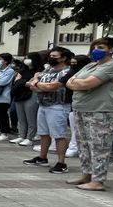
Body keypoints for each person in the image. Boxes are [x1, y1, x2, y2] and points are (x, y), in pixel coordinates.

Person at [65, 37, 113, 191]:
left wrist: (78, 83)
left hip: (103, 110)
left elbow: (88, 83)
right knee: (83, 144)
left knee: (99, 146)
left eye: (101, 47)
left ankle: (98, 181)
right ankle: (87, 175)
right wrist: (79, 84)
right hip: (82, 108)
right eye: (94, 47)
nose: (96, 50)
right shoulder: (91, 65)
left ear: (111, 50)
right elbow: (68, 81)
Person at [23, 46, 74, 174]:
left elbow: (51, 86)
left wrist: (37, 84)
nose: (51, 58)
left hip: (58, 105)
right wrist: (38, 83)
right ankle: (42, 157)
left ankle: (61, 163)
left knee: (58, 134)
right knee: (43, 133)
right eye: (50, 56)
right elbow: (30, 84)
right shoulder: (48, 69)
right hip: (43, 104)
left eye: (54, 56)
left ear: (63, 58)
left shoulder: (67, 71)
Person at [10, 52, 44, 146]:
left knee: (30, 117)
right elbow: (16, 82)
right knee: (21, 117)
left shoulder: (39, 71)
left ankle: (30, 137)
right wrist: (25, 83)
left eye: (29, 58)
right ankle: (21, 135)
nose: (26, 60)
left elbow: (33, 83)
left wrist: (22, 83)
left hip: (32, 94)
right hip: (20, 94)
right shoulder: (22, 70)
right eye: (26, 58)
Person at [0, 53, 16, 140]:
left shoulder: (10, 71)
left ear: (5, 61)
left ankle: (4, 133)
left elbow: (3, 82)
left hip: (3, 97)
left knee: (2, 115)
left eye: (0, 59)